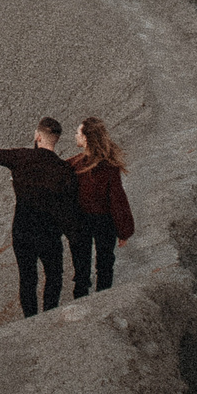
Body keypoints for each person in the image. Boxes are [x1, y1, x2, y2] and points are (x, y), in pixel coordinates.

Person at [0, 117, 78, 319]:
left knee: (27, 278)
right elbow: (68, 207)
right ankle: (48, 318)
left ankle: (30, 320)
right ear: (56, 140)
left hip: (23, 229)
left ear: (37, 136)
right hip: (50, 233)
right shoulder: (63, 169)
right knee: (53, 276)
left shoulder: (22, 157)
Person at [65, 117, 136, 297]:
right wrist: (123, 231)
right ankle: (103, 299)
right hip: (104, 221)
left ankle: (81, 301)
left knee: (82, 266)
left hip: (83, 221)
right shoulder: (108, 166)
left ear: (86, 138)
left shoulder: (75, 165)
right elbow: (117, 200)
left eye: (78, 133)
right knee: (105, 264)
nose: (75, 136)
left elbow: (117, 199)